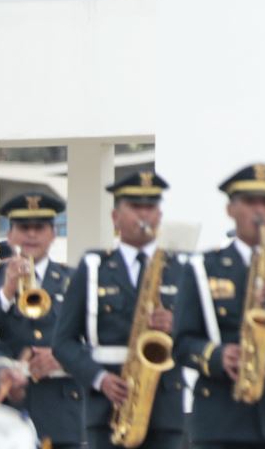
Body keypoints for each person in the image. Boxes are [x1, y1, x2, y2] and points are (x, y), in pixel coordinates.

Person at [52, 170, 187, 449]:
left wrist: (178, 323)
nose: (144, 216)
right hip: (108, 410)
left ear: (159, 216)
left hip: (165, 411)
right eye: (135, 207)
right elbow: (63, 342)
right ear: (116, 218)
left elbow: (202, 337)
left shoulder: (180, 269)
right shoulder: (93, 268)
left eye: (150, 208)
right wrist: (99, 379)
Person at [171, 163, 265, 448]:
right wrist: (216, 356)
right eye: (250, 202)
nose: (259, 210)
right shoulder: (202, 268)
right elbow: (181, 343)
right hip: (220, 420)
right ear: (231, 210)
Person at [0, 192, 82, 448]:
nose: (32, 235)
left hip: (63, 411)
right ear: (10, 234)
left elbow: (96, 339)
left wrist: (63, 359)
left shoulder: (76, 279)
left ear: (53, 234)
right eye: (24, 227)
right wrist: (7, 291)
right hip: (8, 414)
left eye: (40, 227)